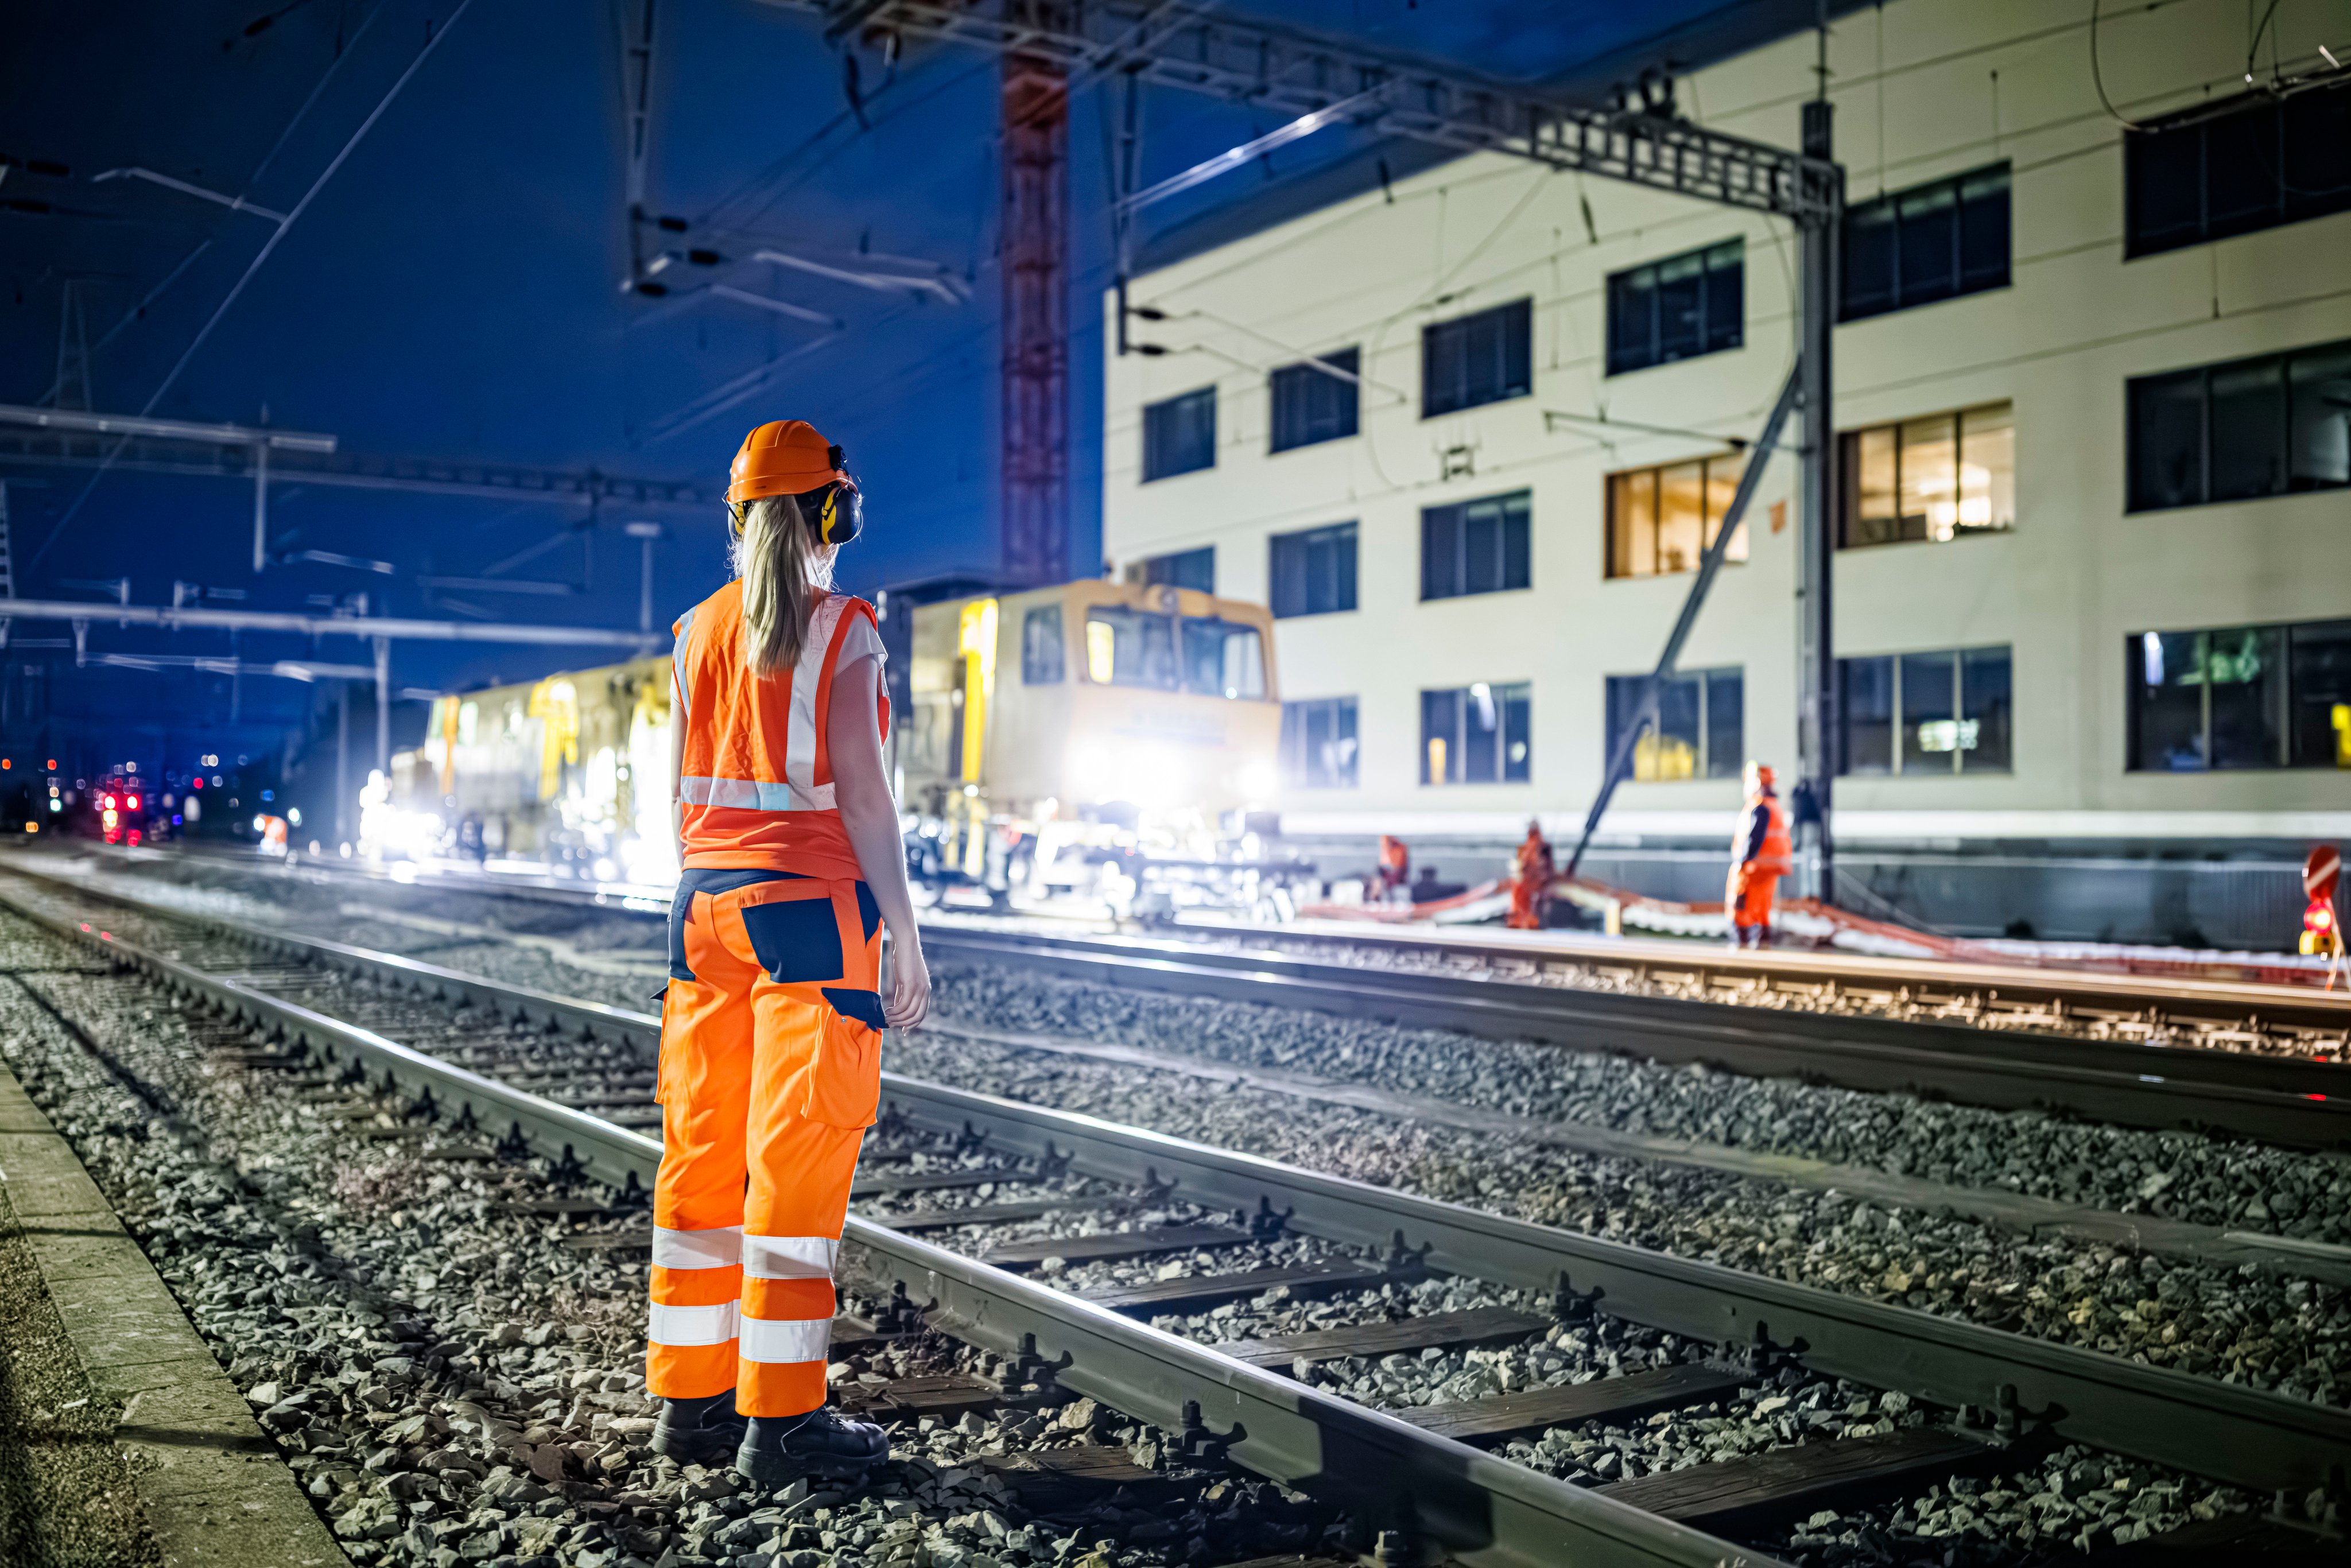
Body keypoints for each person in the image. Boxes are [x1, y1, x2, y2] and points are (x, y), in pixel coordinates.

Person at [645, 418, 932, 1488]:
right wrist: (904, 931)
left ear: (737, 520)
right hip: (810, 915)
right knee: (795, 1162)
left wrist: (706, 881)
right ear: (834, 513)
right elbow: (864, 794)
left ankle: (690, 1400)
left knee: (704, 1156)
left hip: (700, 911)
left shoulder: (694, 630)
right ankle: (784, 1418)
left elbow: (680, 796)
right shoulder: (839, 630)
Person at [1727, 761, 1790, 948]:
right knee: (1762, 910)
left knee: (1743, 908)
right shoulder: (1773, 806)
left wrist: (1744, 862)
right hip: (1769, 867)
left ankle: (1742, 947)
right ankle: (1762, 947)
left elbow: (1755, 837)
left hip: (1753, 868)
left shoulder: (1760, 807)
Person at [1507, 818, 1553, 930]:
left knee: (1536, 905)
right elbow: (1518, 866)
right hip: (1525, 883)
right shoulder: (1524, 847)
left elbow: (1548, 867)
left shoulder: (1543, 847)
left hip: (1537, 884)